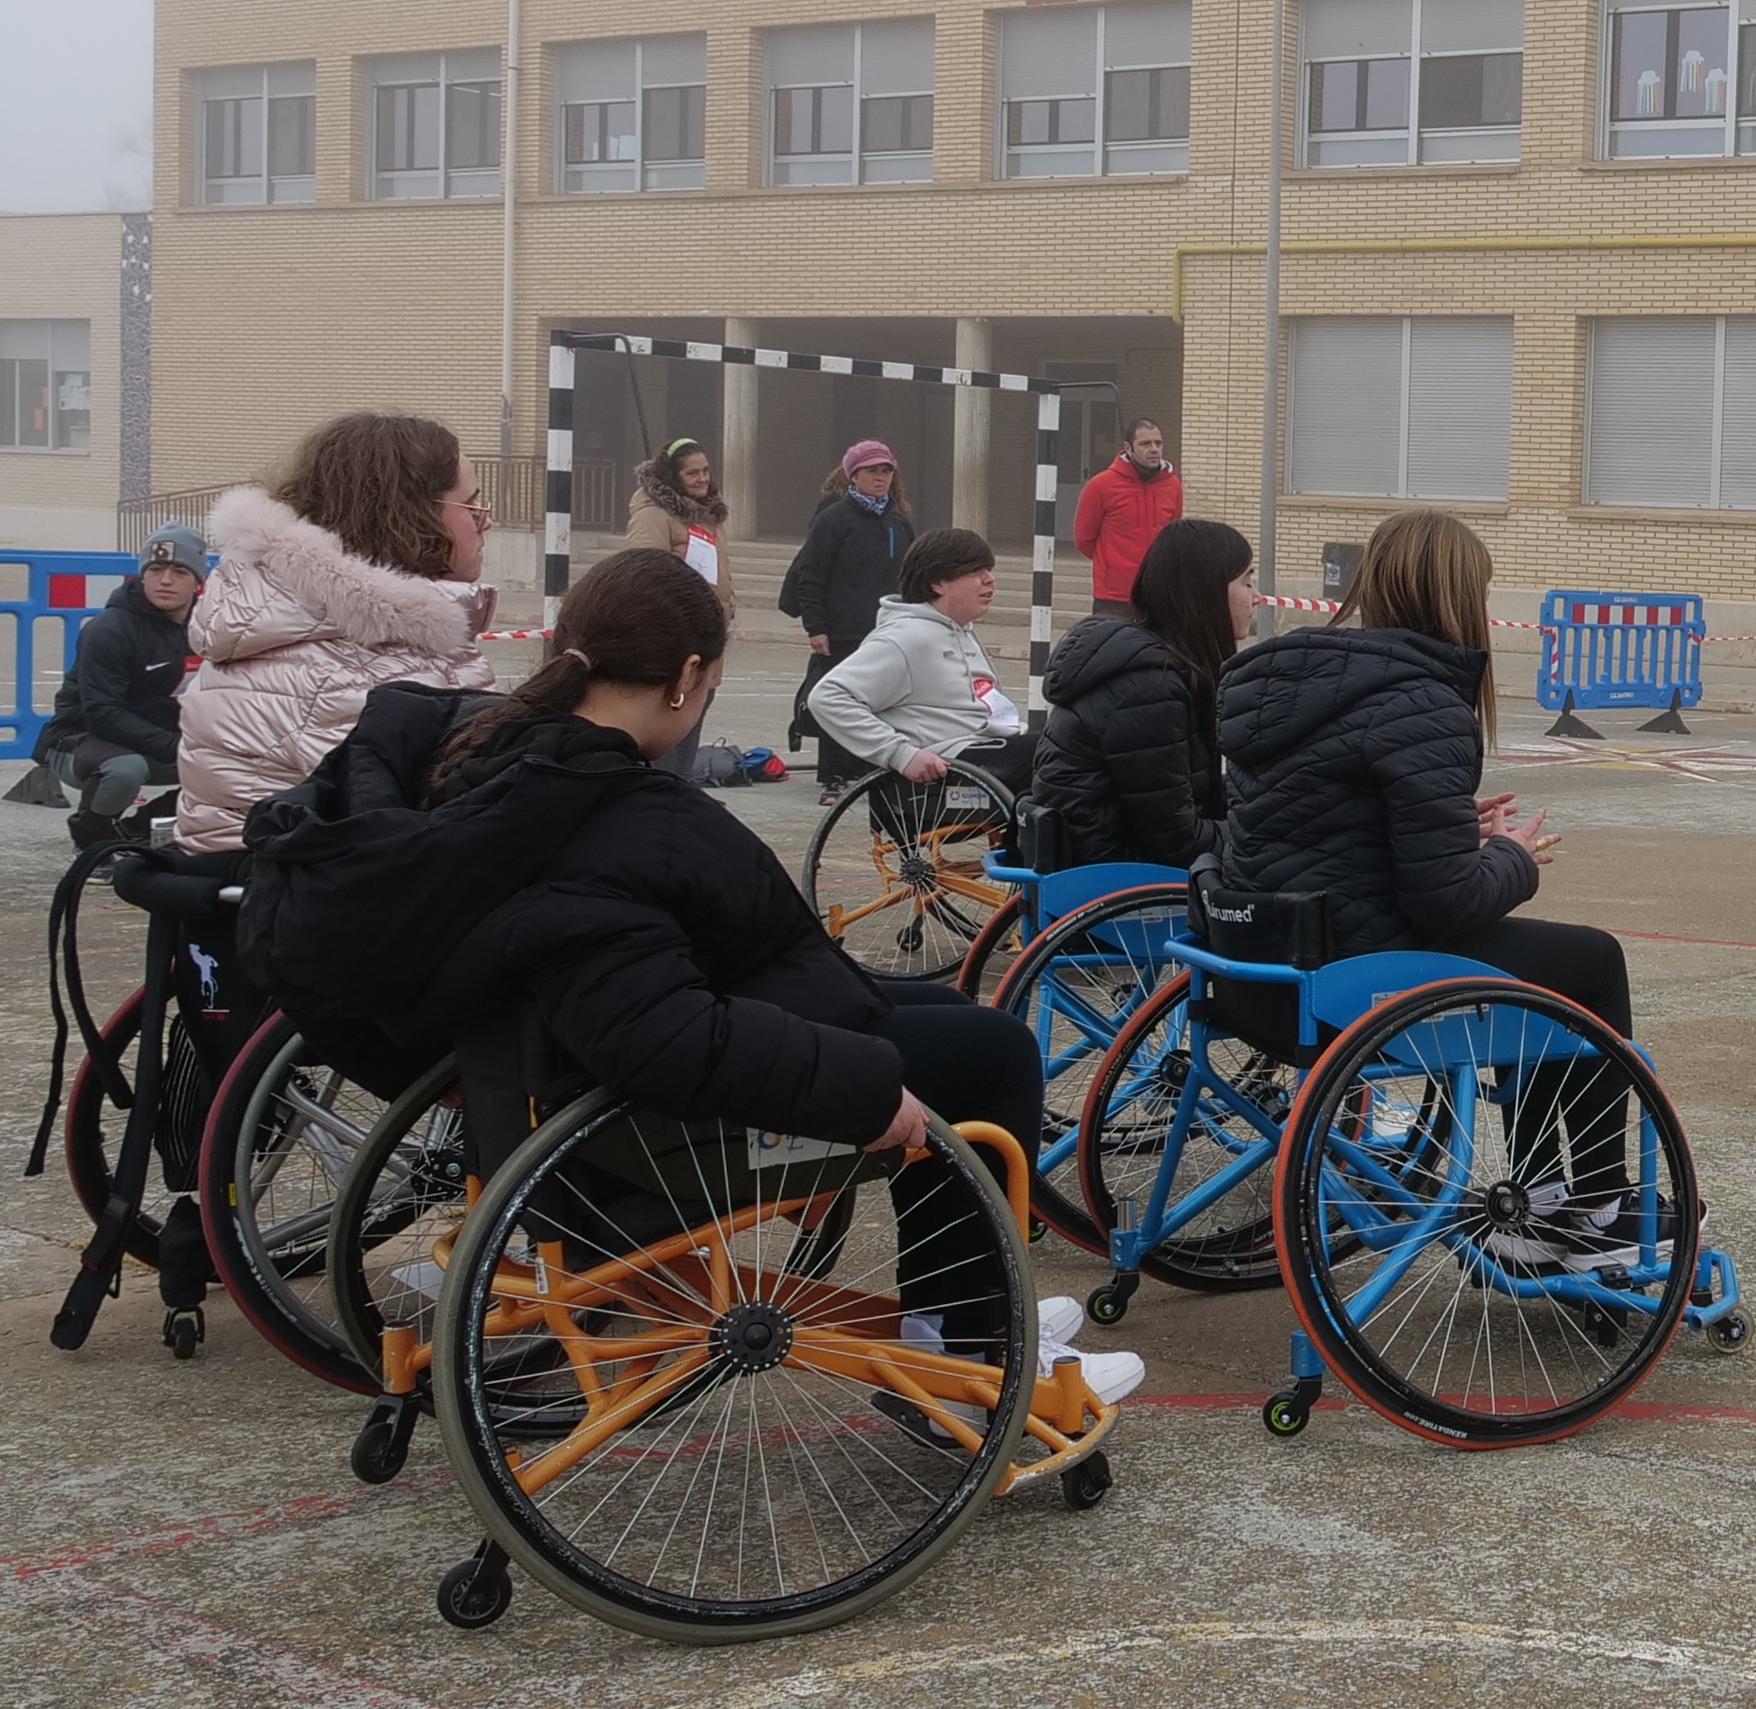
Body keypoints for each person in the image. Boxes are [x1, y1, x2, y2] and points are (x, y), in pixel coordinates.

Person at [237, 547, 1138, 1403]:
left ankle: (961, 1304)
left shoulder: (486, 759)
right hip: (654, 1125)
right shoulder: (606, 822)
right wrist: (864, 1091)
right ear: (684, 678)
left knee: (943, 1018)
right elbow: (654, 1037)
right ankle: (967, 1344)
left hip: (543, 1076)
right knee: (988, 1054)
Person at [1209, 509, 1638, 1267]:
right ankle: (1597, 1201)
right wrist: (1515, 856)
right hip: (1357, 979)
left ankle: (1542, 1196)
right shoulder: (1426, 700)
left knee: (1539, 962)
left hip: (1257, 972)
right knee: (1590, 962)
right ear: (1456, 598)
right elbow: (1446, 903)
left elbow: (1317, 823)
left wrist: (1443, 825)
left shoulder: (1282, 683)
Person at [178, 413, 497, 855]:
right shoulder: (344, 665)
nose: (486, 523)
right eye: (473, 507)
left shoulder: (323, 623)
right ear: (409, 515)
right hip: (296, 907)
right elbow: (434, 828)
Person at [1033, 516, 1255, 866]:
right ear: (1207, 591)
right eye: (1246, 581)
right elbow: (1175, 842)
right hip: (1112, 876)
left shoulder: (1165, 667)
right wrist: (1267, 837)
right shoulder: (1150, 688)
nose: (1256, 597)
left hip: (1112, 858)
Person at [808, 528, 1036, 792]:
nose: (989, 579)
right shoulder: (906, 637)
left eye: (988, 570)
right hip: (949, 764)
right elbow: (827, 697)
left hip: (986, 743)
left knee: (1071, 742)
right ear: (937, 583)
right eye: (975, 572)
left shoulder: (960, 632)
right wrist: (901, 754)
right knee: (1067, 752)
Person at [41, 520, 206, 849]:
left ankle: (137, 831)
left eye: (180, 571)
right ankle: (91, 842)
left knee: (238, 762)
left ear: (198, 582)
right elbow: (103, 713)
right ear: (142, 574)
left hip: (160, 737)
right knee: (124, 769)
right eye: (156, 569)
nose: (166, 580)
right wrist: (176, 746)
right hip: (82, 739)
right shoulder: (109, 629)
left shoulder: (209, 628)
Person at [621, 438, 769, 784]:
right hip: (675, 643)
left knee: (689, 741)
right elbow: (641, 574)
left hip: (707, 642)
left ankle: (678, 794)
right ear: (674, 477)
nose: (702, 478)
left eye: (705, 471)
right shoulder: (654, 516)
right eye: (692, 473)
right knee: (667, 743)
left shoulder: (708, 515)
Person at [779, 440, 910, 785]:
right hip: (841, 630)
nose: (880, 478)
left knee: (880, 704)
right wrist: (816, 626)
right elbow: (811, 573)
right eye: (872, 471)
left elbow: (909, 576)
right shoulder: (833, 519)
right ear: (853, 476)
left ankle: (868, 769)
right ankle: (834, 774)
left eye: (886, 470)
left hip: (886, 632)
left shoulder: (898, 522)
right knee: (837, 701)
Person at [1074, 418, 1184, 621]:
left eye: (1158, 443)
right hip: (1114, 596)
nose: (1153, 449)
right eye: (1145, 444)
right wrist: (1113, 564)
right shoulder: (1100, 486)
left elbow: (1172, 537)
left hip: (1156, 593)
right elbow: (1084, 539)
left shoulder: (1173, 486)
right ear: (1128, 448)